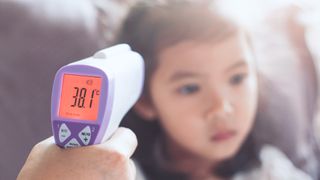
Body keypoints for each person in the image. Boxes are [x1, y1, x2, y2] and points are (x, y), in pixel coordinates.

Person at [18, 1, 319, 179]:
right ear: (145, 99)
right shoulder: (117, 172)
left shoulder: (270, 168)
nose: (222, 108)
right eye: (190, 88)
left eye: (238, 78)